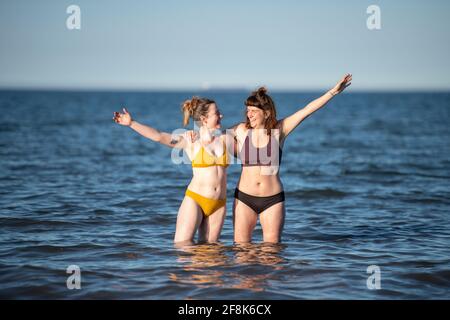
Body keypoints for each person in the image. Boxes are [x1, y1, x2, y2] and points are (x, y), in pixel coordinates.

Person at [232, 74, 352, 243]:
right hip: (244, 198)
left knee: (271, 255)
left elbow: (306, 111)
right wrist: (190, 137)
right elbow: (213, 137)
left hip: (272, 200)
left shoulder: (279, 130)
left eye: (253, 111)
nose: (249, 115)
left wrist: (333, 92)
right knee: (241, 252)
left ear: (266, 113)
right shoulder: (240, 130)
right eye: (248, 111)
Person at [113, 97, 230, 244]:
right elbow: (159, 136)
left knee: (213, 253)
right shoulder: (190, 140)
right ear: (204, 118)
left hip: (219, 204)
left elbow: (246, 129)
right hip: (196, 200)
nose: (221, 116)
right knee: (184, 247)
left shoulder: (226, 138)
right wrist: (131, 123)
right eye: (217, 113)